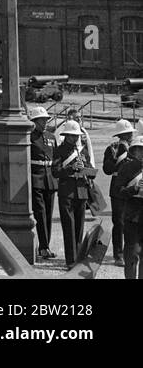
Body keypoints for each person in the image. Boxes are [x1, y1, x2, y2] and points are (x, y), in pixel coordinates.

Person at [52, 120, 96, 270]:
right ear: (67, 135)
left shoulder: (82, 151)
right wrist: (71, 168)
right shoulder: (59, 150)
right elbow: (55, 171)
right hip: (67, 192)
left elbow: (92, 174)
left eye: (76, 135)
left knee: (79, 227)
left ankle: (78, 257)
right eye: (72, 136)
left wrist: (84, 168)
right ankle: (70, 260)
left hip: (81, 192)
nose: (75, 138)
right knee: (68, 227)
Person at [103, 119, 136, 267]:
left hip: (134, 188)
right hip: (117, 188)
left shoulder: (136, 148)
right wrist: (118, 155)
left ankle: (133, 251)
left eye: (130, 133)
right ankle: (119, 254)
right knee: (119, 222)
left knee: (134, 221)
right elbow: (107, 169)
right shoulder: (112, 148)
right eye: (127, 133)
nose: (130, 136)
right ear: (121, 135)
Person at [28, 106, 57, 260]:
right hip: (36, 177)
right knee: (40, 213)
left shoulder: (51, 137)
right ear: (35, 121)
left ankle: (45, 246)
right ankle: (44, 246)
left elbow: (56, 158)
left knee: (49, 214)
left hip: (50, 179)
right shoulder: (30, 137)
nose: (45, 123)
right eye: (41, 120)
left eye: (46, 120)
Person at [113, 135, 143, 280]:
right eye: (140, 150)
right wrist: (134, 189)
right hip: (133, 215)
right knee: (132, 254)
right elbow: (118, 191)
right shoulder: (127, 168)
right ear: (135, 151)